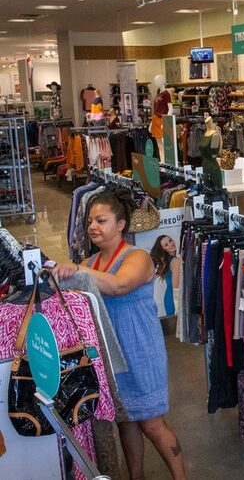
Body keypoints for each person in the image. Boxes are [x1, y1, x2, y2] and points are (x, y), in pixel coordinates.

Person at [52, 190, 187, 480]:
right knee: (125, 422)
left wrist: (76, 270)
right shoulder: (89, 263)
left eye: (101, 220)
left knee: (151, 424)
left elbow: (119, 286)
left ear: (121, 224)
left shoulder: (137, 257)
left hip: (141, 350)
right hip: (110, 355)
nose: (92, 227)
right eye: (90, 221)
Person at [150, 234, 181, 317]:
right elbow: (176, 288)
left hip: (170, 298)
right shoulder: (175, 261)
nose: (170, 244)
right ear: (163, 249)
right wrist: (178, 307)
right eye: (166, 245)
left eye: (170, 240)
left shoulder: (168, 261)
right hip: (174, 299)